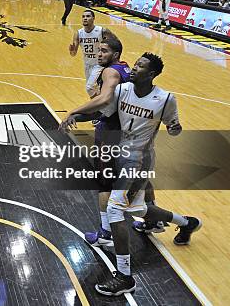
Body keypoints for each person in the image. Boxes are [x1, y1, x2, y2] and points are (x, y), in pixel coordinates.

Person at [63, 52, 201, 295]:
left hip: (139, 161)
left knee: (116, 209)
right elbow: (101, 112)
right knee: (139, 210)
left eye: (140, 66)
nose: (134, 68)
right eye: (135, 64)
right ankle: (187, 223)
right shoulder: (123, 90)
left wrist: (176, 128)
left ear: (152, 74)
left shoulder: (166, 98)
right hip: (119, 153)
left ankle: (125, 276)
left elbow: (174, 128)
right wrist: (76, 115)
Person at [60, 35, 131, 247]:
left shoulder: (110, 71)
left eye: (104, 51)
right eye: (99, 51)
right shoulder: (126, 69)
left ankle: (105, 234)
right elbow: (103, 109)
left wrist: (74, 110)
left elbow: (104, 99)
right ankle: (166, 221)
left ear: (116, 55)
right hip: (127, 132)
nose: (99, 54)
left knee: (104, 184)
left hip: (110, 133)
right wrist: (80, 116)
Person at [69, 10, 108, 96]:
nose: (85, 18)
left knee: (90, 87)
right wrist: (72, 50)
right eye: (83, 17)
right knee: (93, 90)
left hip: (100, 64)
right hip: (87, 64)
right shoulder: (78, 33)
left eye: (88, 16)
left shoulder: (102, 31)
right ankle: (99, 106)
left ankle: (98, 106)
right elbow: (73, 54)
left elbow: (115, 43)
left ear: (93, 18)